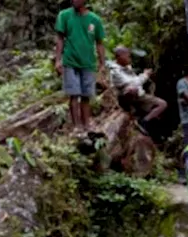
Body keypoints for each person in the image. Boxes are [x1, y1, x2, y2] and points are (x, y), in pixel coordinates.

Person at [54, 0, 106, 131]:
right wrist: (58, 60)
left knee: (86, 96)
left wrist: (102, 63)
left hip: (88, 62)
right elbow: (60, 38)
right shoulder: (64, 15)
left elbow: (99, 43)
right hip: (70, 60)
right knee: (73, 94)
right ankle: (76, 126)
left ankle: (86, 124)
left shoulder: (95, 19)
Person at [108, 46, 166, 136]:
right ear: (120, 56)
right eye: (128, 56)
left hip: (139, 95)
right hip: (127, 97)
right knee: (131, 89)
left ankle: (144, 120)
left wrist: (146, 76)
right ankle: (140, 116)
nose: (129, 58)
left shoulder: (127, 67)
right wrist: (145, 75)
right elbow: (133, 84)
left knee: (161, 105)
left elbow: (136, 81)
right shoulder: (115, 71)